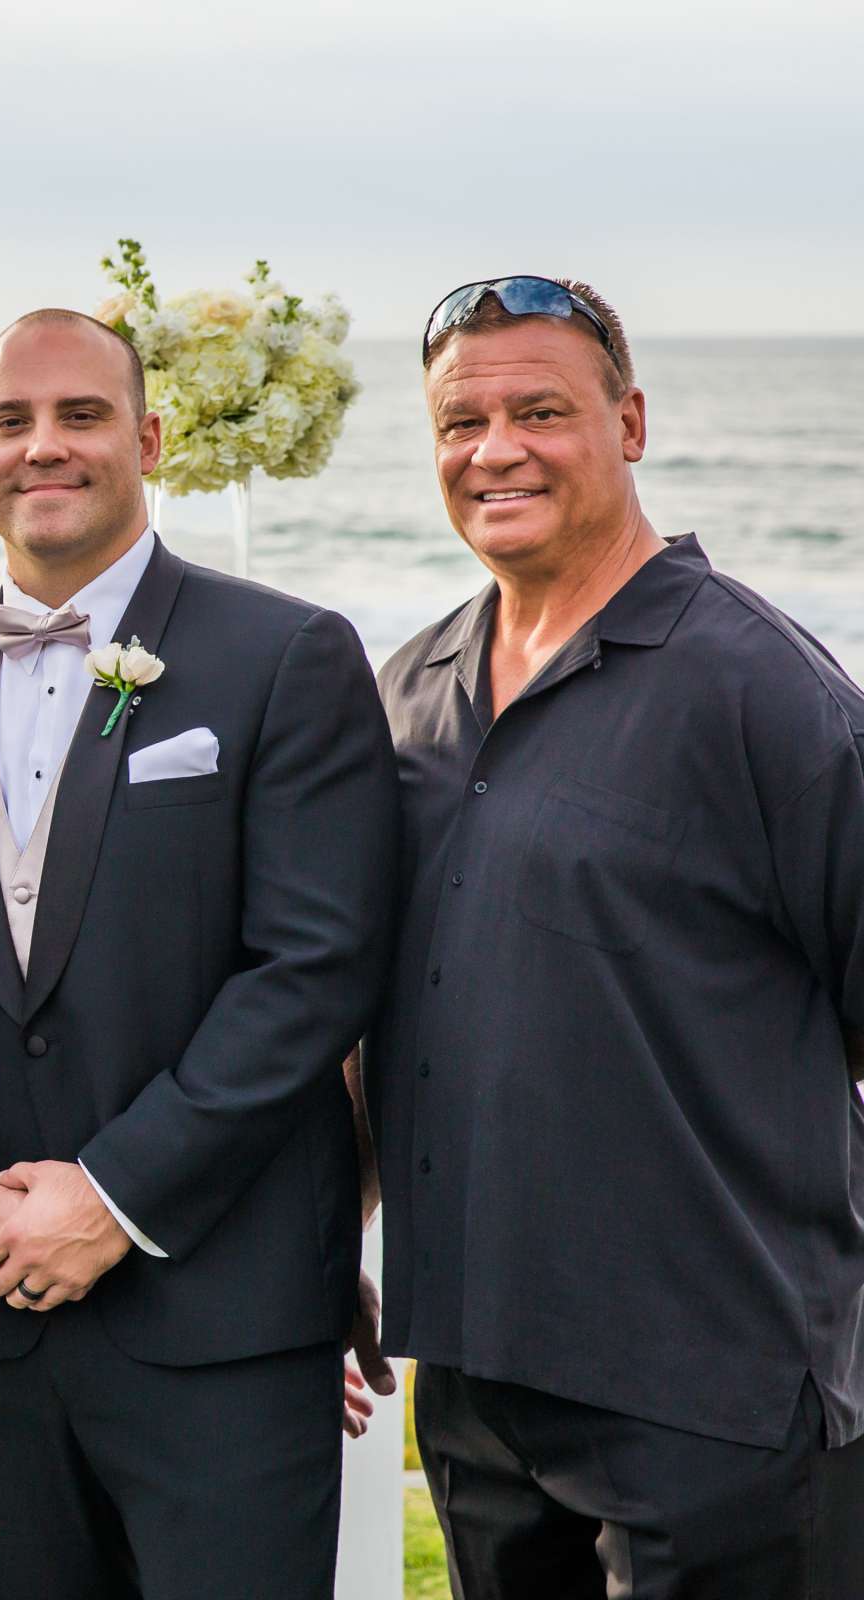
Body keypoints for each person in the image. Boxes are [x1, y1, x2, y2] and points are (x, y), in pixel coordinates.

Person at [0, 310, 400, 1598]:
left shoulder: (286, 654)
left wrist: (109, 1197)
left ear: (149, 439)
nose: (43, 446)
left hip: (223, 1314)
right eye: (11, 421)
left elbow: (314, 968)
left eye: (80, 415)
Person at [365, 276, 864, 1596]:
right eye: (459, 424)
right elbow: (371, 1019)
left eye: (541, 410)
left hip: (719, 1393)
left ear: (629, 423)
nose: (495, 451)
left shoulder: (767, 691)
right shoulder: (407, 691)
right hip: (474, 1387)